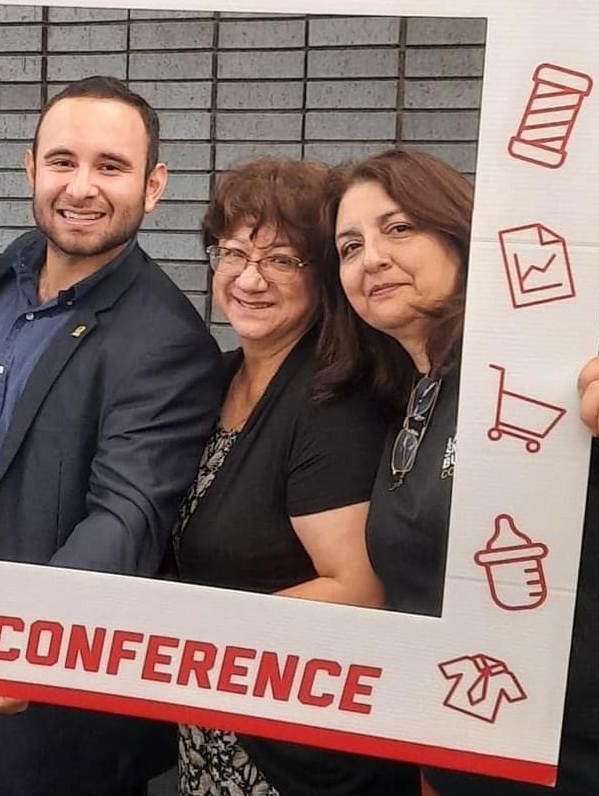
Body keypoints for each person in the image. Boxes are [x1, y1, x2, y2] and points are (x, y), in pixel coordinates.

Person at [323, 147, 599, 795]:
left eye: (398, 228)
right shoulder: (410, 399)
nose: (371, 256)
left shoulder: (561, 328)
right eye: (349, 246)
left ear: (460, 231)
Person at [0, 76, 223, 796]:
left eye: (111, 167)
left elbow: (126, 518)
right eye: (62, 160)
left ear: (153, 186)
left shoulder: (167, 341)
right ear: (30, 168)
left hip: (56, 709)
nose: (81, 186)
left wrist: (25, 647)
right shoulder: (15, 267)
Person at [174, 159, 420, 796]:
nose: (250, 279)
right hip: (216, 720)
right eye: (233, 253)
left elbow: (359, 587)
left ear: (325, 278)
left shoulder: (331, 404)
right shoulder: (217, 379)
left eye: (282, 260)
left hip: (296, 752)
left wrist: (191, 638)